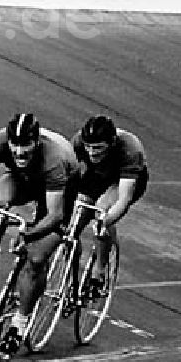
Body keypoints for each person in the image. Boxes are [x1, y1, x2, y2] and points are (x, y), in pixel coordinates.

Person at [0, 113, 80, 357]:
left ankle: (19, 325)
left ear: (36, 142)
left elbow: (55, 216)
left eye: (24, 146)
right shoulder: (0, 143)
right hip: (25, 178)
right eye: (14, 146)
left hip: (59, 192)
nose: (18, 152)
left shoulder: (54, 159)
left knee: (36, 258)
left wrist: (26, 234)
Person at [71, 115, 149, 293]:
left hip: (123, 180)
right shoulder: (77, 142)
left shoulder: (130, 149)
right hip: (96, 175)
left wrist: (105, 222)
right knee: (75, 214)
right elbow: (68, 178)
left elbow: (123, 199)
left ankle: (99, 269)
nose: (91, 152)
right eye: (88, 147)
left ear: (112, 142)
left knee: (102, 210)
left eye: (98, 148)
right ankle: (70, 267)